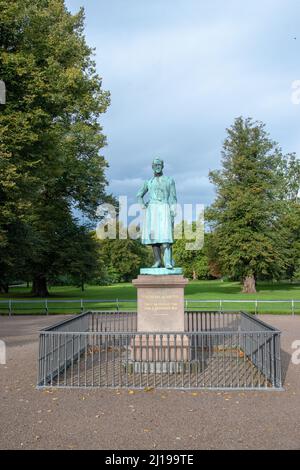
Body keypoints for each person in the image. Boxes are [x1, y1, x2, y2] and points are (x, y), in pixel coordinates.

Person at [137, 158, 177, 269]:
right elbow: (139, 195)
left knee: (165, 238)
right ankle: (158, 261)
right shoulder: (148, 182)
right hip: (152, 210)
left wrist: (173, 212)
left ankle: (167, 262)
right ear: (152, 167)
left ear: (163, 166)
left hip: (164, 208)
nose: (157, 166)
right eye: (155, 165)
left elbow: (173, 198)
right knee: (154, 239)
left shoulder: (169, 180)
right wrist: (144, 207)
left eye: (159, 164)